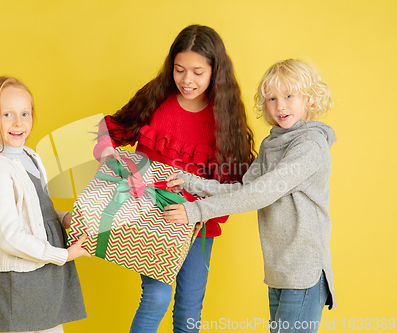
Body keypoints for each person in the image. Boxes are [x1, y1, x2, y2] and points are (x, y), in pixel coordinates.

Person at [93, 25, 256, 333]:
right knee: (156, 296)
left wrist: (200, 214)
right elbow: (107, 131)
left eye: (197, 72)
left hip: (198, 228)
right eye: (180, 70)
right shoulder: (156, 101)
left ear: (214, 71)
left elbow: (235, 186)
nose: (187, 80)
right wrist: (115, 163)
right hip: (152, 222)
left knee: (189, 311)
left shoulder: (225, 119)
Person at [165, 59, 337, 332]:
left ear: (310, 98)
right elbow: (246, 189)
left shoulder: (310, 145)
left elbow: (262, 193)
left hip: (304, 272)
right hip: (279, 270)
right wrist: (193, 184)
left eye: (289, 96)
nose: (280, 105)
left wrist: (196, 211)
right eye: (271, 98)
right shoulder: (273, 142)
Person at [0, 76, 90, 333]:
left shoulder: (31, 156)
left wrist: (64, 218)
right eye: (7, 114)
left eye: (25, 113)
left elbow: (38, 210)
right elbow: (9, 237)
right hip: (22, 279)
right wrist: (63, 254)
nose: (19, 122)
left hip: (47, 273)